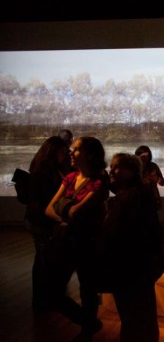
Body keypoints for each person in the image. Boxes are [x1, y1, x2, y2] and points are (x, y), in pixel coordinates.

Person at [97, 153, 164, 342]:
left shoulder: (133, 197)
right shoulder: (134, 194)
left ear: (130, 171)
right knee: (137, 319)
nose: (111, 171)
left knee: (135, 319)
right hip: (135, 270)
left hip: (131, 269)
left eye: (116, 167)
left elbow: (126, 234)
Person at [45, 136, 109, 341]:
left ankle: (87, 330)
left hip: (87, 243)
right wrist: (66, 215)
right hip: (66, 241)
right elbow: (49, 210)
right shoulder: (70, 177)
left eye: (77, 149)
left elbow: (74, 212)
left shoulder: (99, 182)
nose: (72, 152)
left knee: (87, 290)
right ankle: (90, 323)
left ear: (90, 154)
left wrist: (64, 211)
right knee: (53, 292)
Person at [25, 136, 81, 321]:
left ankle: (41, 301)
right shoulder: (45, 173)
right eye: (64, 152)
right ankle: (45, 300)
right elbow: (47, 201)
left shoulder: (43, 168)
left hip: (40, 220)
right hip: (42, 221)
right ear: (54, 152)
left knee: (41, 260)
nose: (66, 155)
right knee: (44, 261)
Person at [135, 145, 164, 211]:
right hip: (138, 198)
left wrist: (156, 178)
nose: (145, 158)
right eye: (143, 156)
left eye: (147, 155)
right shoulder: (134, 167)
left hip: (152, 198)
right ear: (138, 156)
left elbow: (162, 183)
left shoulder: (153, 166)